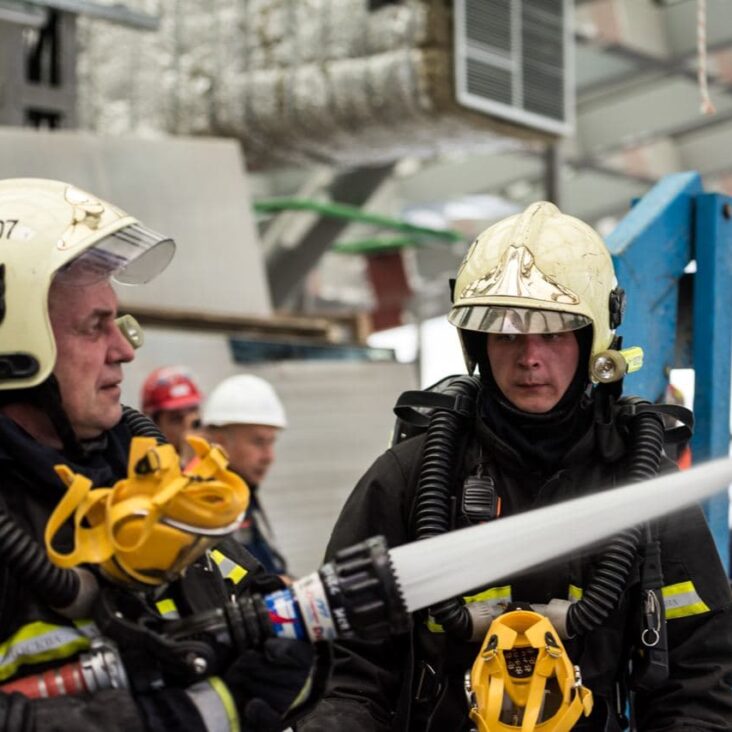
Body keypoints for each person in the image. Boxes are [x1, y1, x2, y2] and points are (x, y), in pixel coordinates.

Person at [299, 201, 732, 731]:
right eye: (506, 333)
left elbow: (703, 675)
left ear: (594, 338)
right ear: (477, 342)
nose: (529, 357)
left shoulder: (643, 487)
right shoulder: (408, 479)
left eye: (552, 333)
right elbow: (347, 672)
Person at [0, 178, 312, 731]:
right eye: (95, 327)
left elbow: (272, 610)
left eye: (115, 321)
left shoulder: (145, 479)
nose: (124, 348)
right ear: (15, 349)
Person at [202, 374, 290, 576]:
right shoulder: (207, 507)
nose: (269, 456)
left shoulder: (242, 495)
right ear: (220, 442)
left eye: (271, 442)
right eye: (258, 442)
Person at [141, 365, 203, 458]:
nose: (189, 424)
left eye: (193, 412)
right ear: (155, 425)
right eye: (177, 418)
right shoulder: (145, 464)